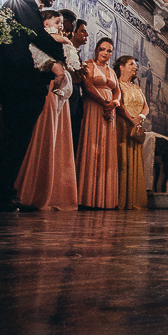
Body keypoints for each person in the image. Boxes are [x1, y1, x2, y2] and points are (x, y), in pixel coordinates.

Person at [0, 0, 67, 209]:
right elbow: (37, 35)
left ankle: (3, 192)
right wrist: (61, 53)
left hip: (22, 82)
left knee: (17, 139)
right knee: (15, 139)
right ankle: (0, 195)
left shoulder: (27, 6)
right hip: (19, 82)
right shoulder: (22, 2)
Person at [14, 12, 78, 212]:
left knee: (55, 136)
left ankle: (49, 188)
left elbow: (69, 62)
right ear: (45, 22)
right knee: (42, 132)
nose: (61, 26)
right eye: (57, 22)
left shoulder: (60, 40)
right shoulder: (42, 37)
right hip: (46, 86)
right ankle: (29, 188)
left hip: (59, 93)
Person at [76, 37, 120, 209]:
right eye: (102, 49)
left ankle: (104, 198)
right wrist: (104, 102)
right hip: (94, 108)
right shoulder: (88, 65)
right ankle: (86, 197)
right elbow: (88, 87)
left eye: (109, 51)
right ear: (96, 50)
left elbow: (117, 90)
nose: (105, 53)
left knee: (106, 150)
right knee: (92, 146)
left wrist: (114, 103)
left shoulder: (112, 71)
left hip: (109, 112)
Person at [115, 55, 149, 210]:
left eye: (136, 65)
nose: (135, 67)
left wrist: (140, 118)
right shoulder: (117, 84)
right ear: (121, 67)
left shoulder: (137, 88)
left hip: (136, 128)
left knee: (135, 161)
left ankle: (133, 199)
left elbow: (146, 107)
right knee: (122, 160)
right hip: (122, 125)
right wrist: (131, 119)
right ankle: (121, 199)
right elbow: (120, 105)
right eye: (131, 64)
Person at [68, 18, 89, 152]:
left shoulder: (76, 53)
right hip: (67, 100)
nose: (86, 34)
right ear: (73, 32)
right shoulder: (65, 50)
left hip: (76, 103)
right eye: (83, 31)